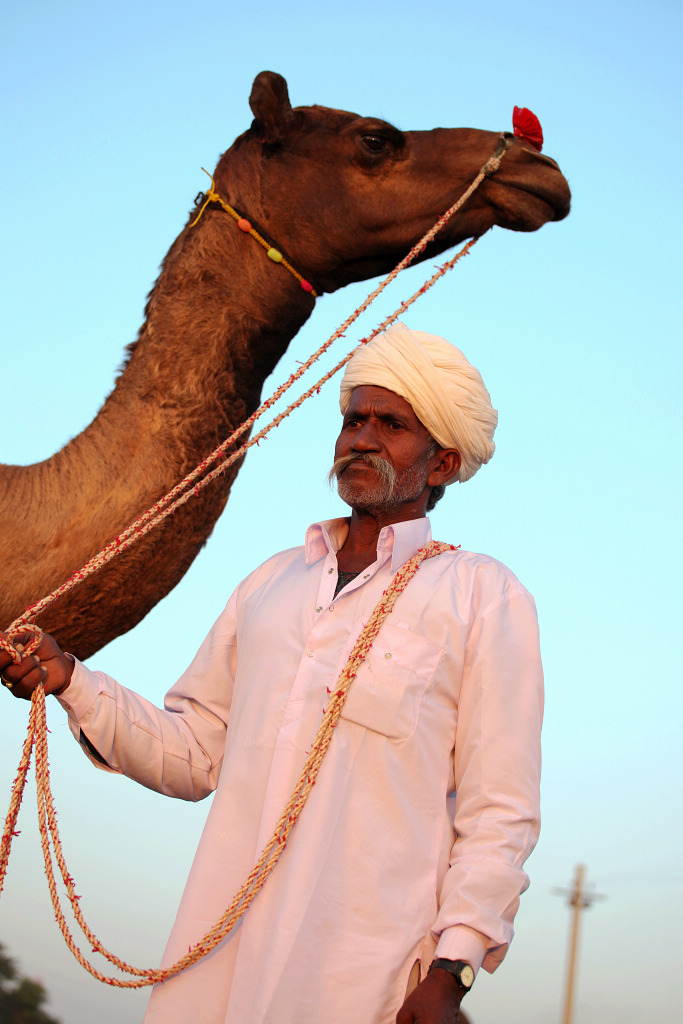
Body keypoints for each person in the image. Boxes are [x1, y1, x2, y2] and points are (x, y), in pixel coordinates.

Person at [1, 323, 544, 1024]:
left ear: (440, 463)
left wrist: (452, 970)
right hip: (214, 962)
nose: (361, 438)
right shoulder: (270, 584)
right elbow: (193, 751)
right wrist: (72, 679)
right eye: (353, 419)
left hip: (365, 976)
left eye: (391, 424)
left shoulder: (482, 595)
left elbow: (498, 811)